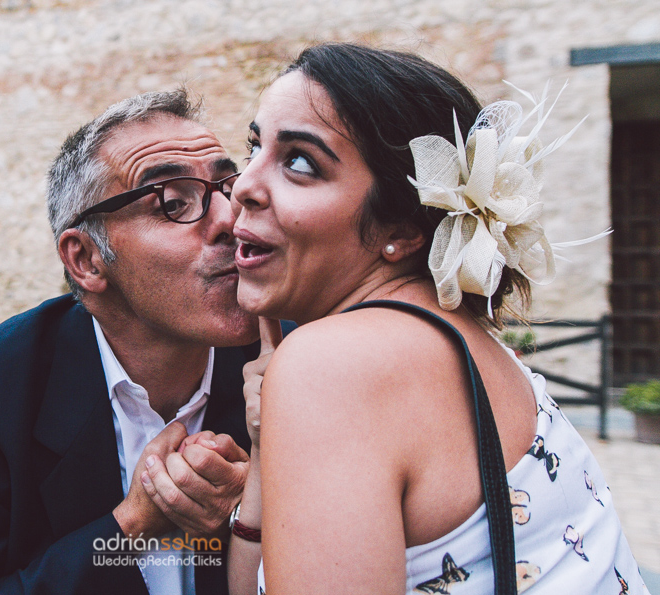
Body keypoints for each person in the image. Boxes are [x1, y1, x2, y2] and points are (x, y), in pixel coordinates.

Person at [211, 43, 649, 594]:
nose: (243, 185)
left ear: (402, 230)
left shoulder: (335, 365)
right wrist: (264, 449)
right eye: (254, 147)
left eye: (300, 162)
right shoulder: (480, 347)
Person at [0, 89, 274, 595]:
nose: (231, 219)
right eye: (173, 202)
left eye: (228, 187)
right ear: (87, 260)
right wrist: (130, 528)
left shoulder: (288, 360)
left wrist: (258, 505)